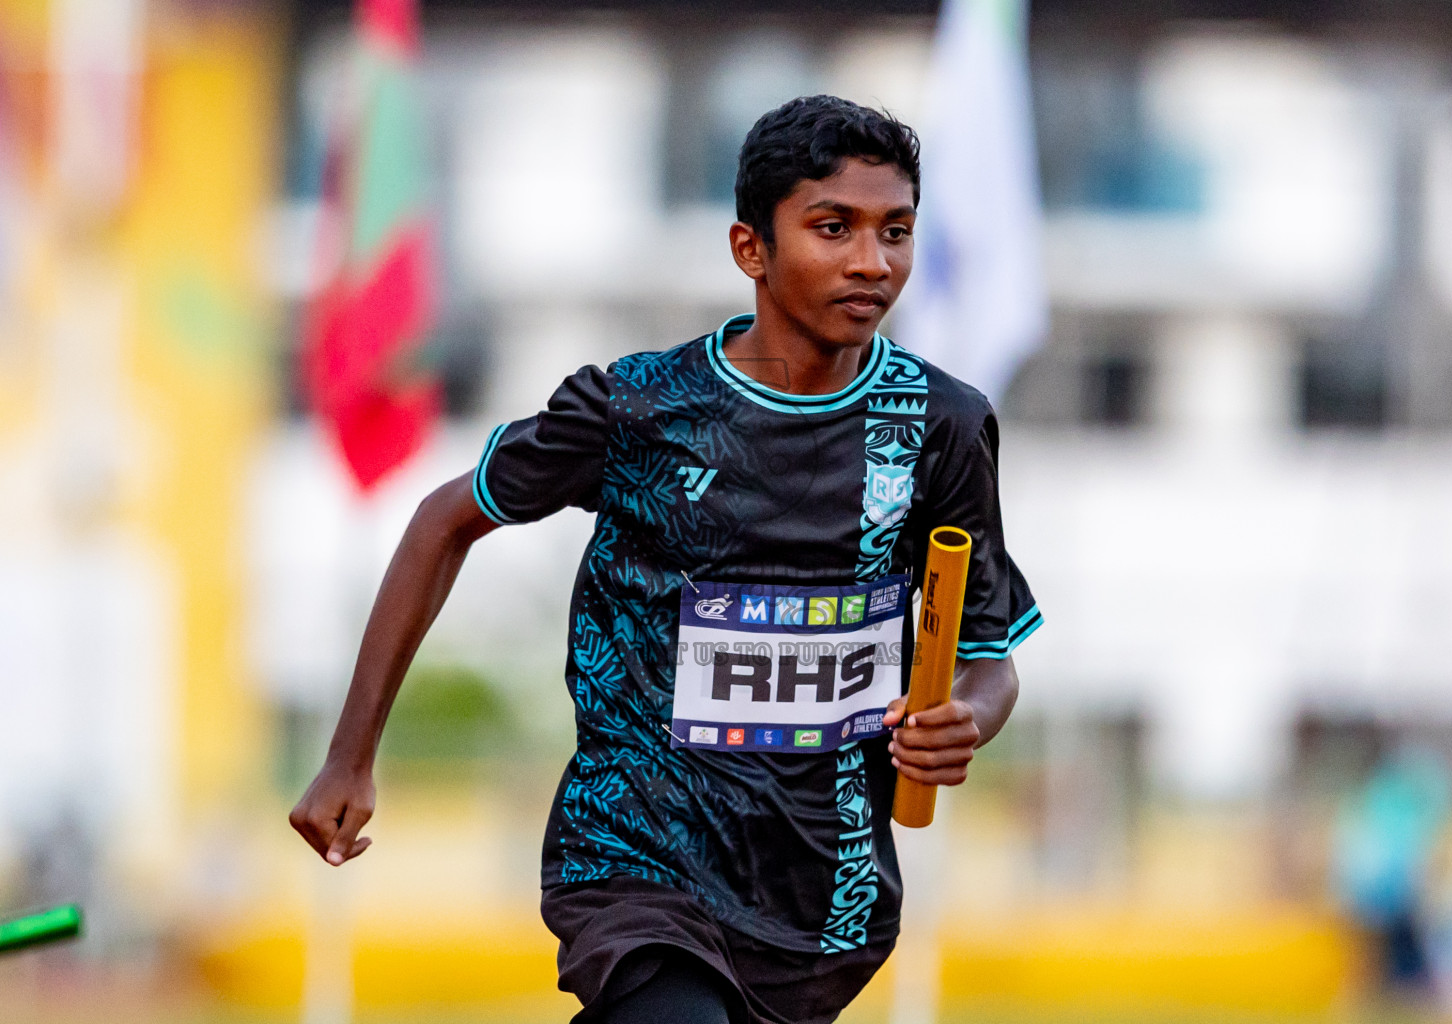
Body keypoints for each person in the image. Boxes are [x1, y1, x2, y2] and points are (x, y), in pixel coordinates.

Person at [290, 94, 1042, 1024]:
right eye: (832, 227)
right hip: (638, 860)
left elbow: (988, 655)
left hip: (819, 897)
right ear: (750, 250)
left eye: (895, 231)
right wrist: (350, 756)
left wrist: (963, 717)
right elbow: (445, 520)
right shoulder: (638, 409)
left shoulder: (944, 426)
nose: (871, 261)